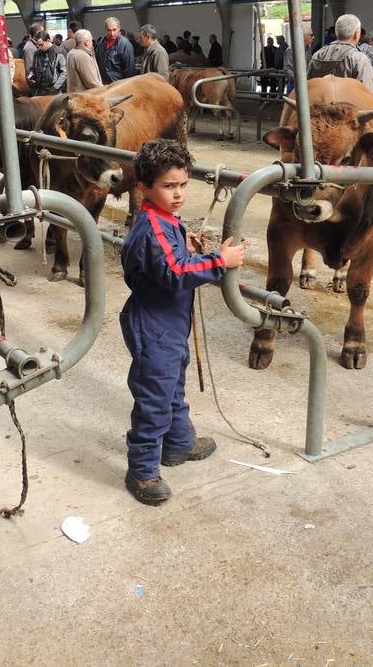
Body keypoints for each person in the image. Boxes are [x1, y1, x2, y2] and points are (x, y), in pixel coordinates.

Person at [120, 140, 245, 505]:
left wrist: (189, 247)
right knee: (154, 397)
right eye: (168, 186)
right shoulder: (152, 226)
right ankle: (141, 471)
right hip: (153, 323)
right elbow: (174, 272)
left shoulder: (166, 220)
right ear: (144, 187)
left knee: (173, 384)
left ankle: (178, 443)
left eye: (183, 185)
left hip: (170, 323)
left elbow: (174, 257)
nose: (178, 194)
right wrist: (220, 261)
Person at [307, 14, 373, 100]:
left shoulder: (318, 54)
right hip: (348, 112)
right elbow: (369, 95)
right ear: (356, 34)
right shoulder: (359, 59)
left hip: (318, 111)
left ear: (337, 32)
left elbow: (308, 87)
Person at [95, 17, 136, 84]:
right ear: (105, 29)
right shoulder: (101, 43)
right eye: (109, 30)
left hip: (118, 86)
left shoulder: (125, 45)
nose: (112, 33)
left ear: (119, 28)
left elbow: (130, 70)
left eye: (114, 30)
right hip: (103, 85)